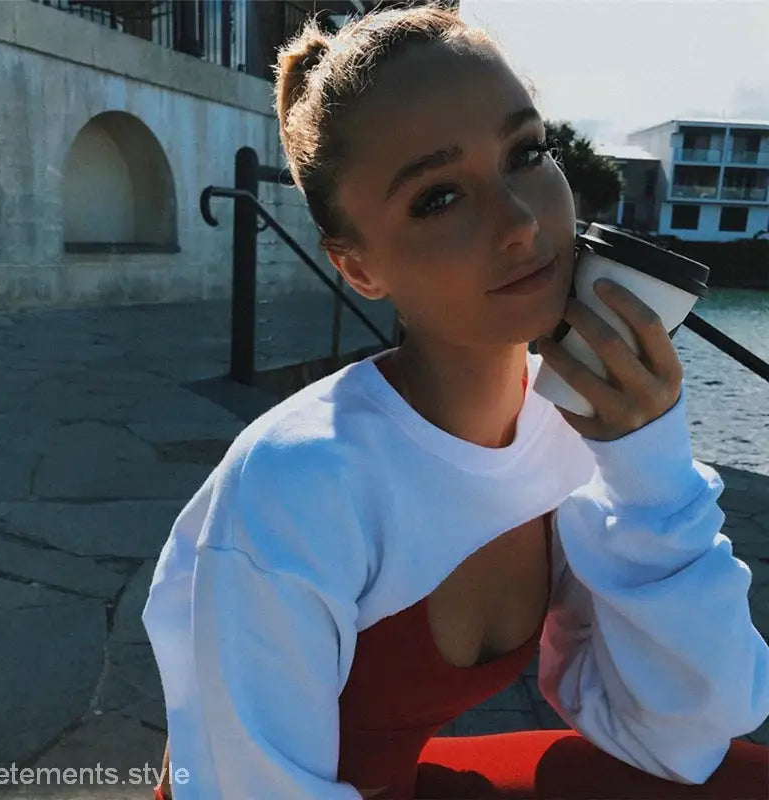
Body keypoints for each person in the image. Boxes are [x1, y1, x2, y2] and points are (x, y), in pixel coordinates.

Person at [141, 2, 769, 798]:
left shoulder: (568, 434)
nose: (518, 221)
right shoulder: (298, 482)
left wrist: (651, 472)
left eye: (527, 153)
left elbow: (680, 740)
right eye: (438, 197)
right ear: (357, 267)